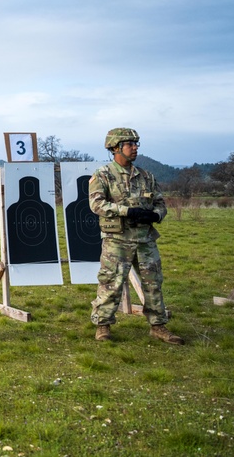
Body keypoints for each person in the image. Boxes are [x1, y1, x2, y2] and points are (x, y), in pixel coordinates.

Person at [88, 127, 184, 345]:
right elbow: (96, 204)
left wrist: (155, 215)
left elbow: (160, 202)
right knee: (111, 282)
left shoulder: (146, 176)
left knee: (153, 283)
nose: (135, 149)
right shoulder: (102, 175)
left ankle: (158, 326)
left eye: (136, 144)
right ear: (115, 148)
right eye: (130, 145)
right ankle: (103, 325)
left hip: (145, 239)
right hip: (117, 239)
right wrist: (126, 211)